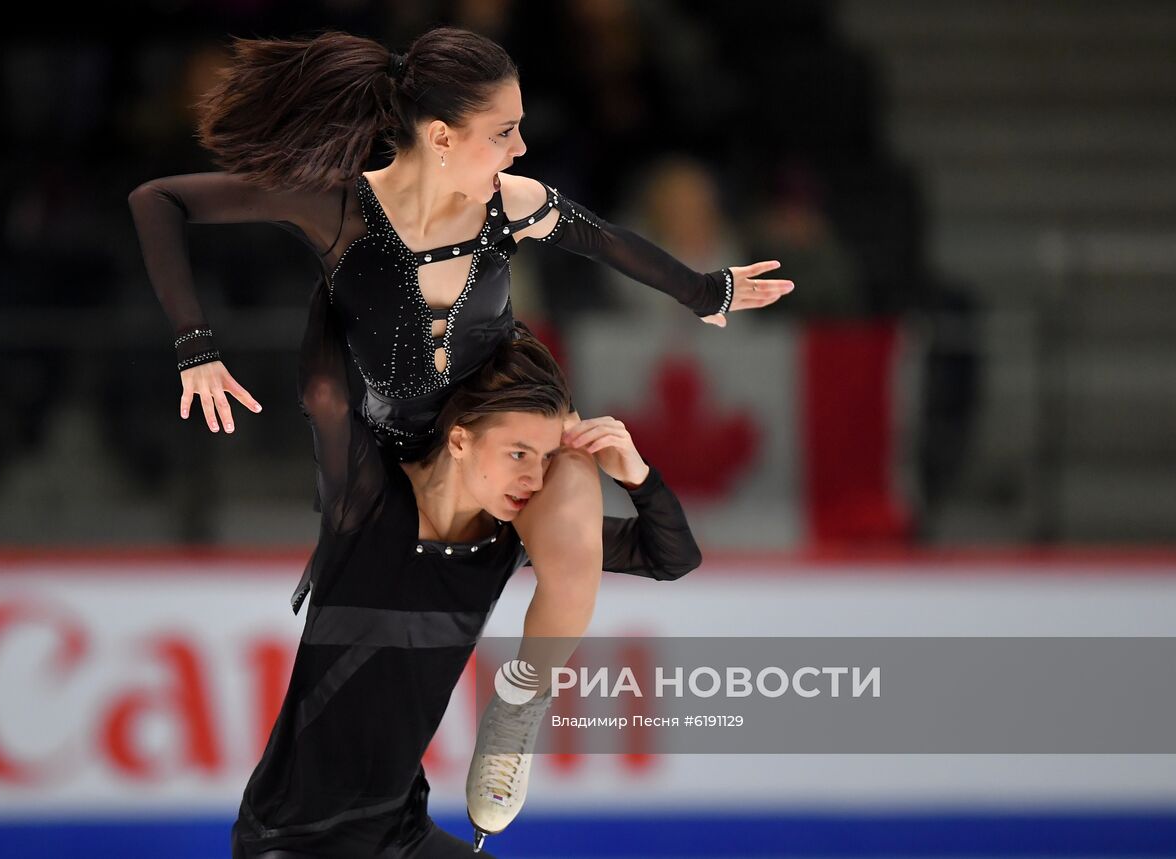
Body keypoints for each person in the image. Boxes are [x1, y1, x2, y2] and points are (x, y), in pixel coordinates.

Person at [127, 25, 793, 842]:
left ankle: (518, 708)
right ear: (441, 136)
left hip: (495, 422)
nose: (520, 146)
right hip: (395, 448)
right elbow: (158, 199)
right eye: (504, 130)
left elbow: (609, 242)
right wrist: (196, 345)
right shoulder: (340, 207)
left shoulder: (508, 206)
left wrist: (704, 291)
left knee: (575, 488)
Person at [230, 283, 701, 858]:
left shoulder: (508, 538)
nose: (534, 477)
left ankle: (523, 700)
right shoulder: (368, 499)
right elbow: (325, 394)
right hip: (291, 839)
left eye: (546, 458)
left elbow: (671, 557)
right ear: (459, 440)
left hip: (399, 834)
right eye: (518, 453)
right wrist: (338, 274)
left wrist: (637, 476)